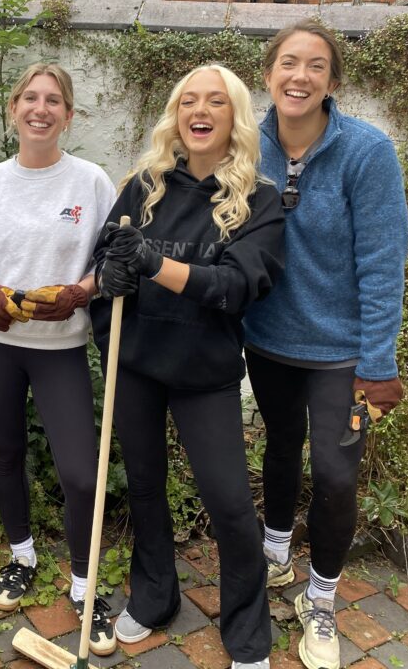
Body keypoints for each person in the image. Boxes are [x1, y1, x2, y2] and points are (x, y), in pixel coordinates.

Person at [91, 64, 283, 669]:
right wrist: (111, 270)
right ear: (176, 114)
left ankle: (247, 629)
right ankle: (154, 598)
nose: (199, 112)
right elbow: (107, 254)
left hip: (206, 372)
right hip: (137, 362)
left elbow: (237, 284)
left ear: (235, 118)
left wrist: (152, 264)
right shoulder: (142, 186)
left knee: (228, 500)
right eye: (188, 102)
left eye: (216, 103)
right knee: (144, 488)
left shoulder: (261, 199)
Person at [243, 19, 408, 669]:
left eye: (316, 65)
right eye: (289, 62)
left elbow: (382, 262)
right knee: (280, 449)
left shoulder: (367, 153)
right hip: (269, 342)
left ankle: (322, 597)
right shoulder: (246, 147)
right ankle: (277, 557)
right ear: (268, 75)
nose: (300, 76)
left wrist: (378, 364)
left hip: (341, 354)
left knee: (337, 478)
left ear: (333, 82)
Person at [0, 62, 118, 656]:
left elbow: (115, 258)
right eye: (30, 99)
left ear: (68, 116)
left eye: (53, 101)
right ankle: (21, 554)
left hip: (59, 350)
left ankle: (83, 584)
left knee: (79, 472)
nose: (40, 109)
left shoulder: (91, 183)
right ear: (13, 109)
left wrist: (84, 292)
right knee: (7, 453)